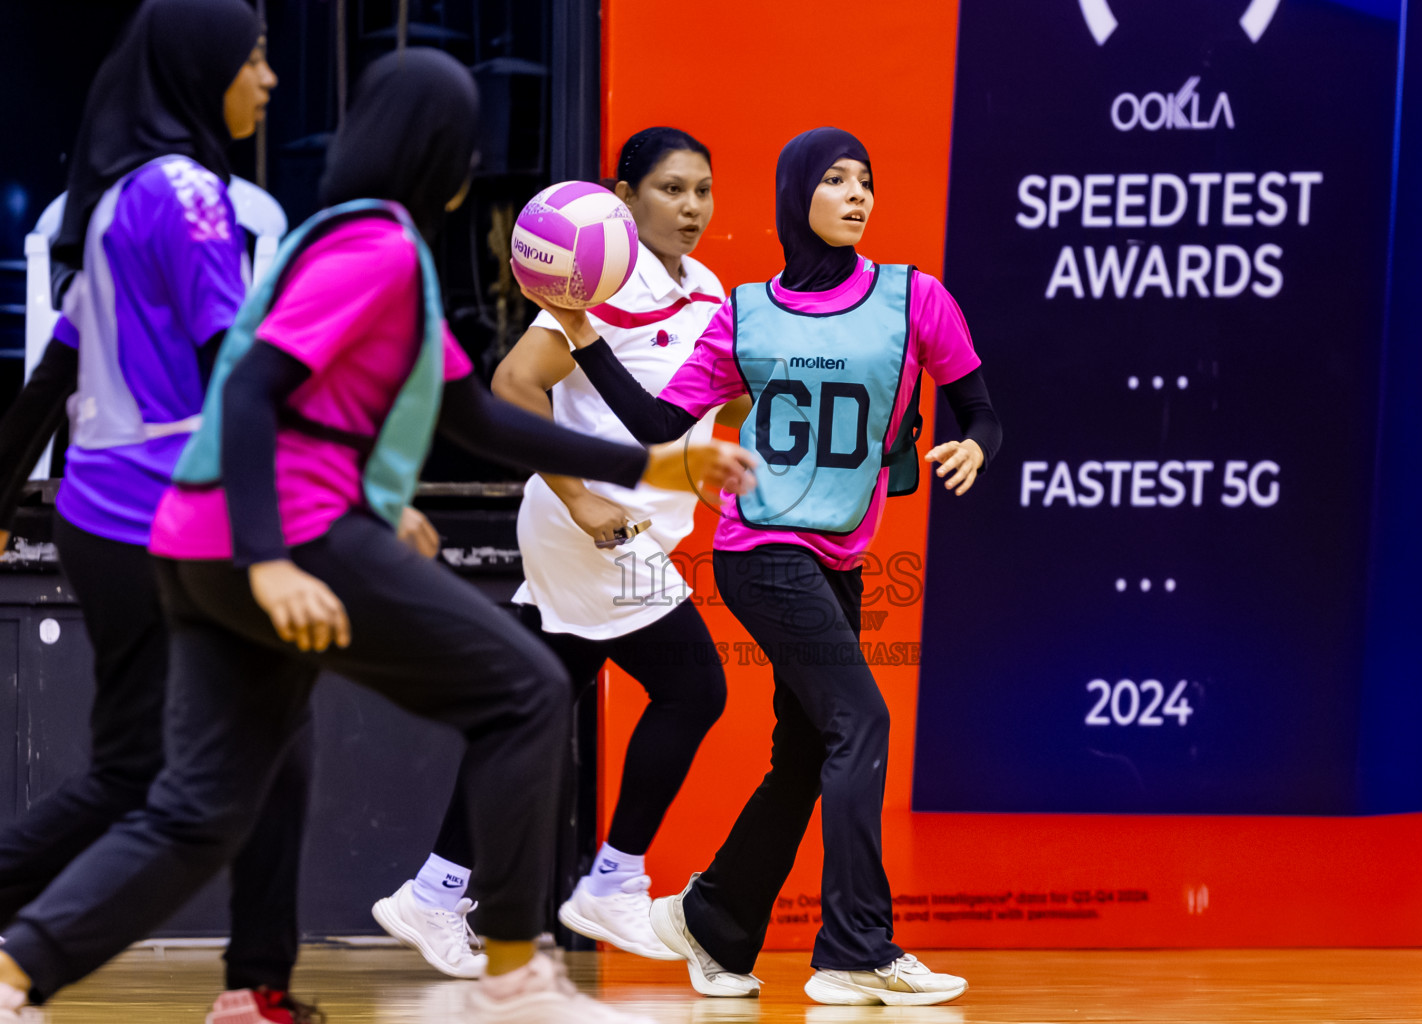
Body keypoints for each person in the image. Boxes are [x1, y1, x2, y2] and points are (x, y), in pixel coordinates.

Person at [0, 50, 754, 1024]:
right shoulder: (376, 250)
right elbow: (252, 388)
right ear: (439, 151)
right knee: (526, 692)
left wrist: (657, 468)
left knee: (208, 802)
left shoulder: (357, 242)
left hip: (202, 537)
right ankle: (518, 973)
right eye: (468, 139)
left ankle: (21, 975)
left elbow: (477, 421)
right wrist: (270, 556)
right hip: (283, 532)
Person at [528, 127, 1002, 1007]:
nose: (857, 195)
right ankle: (856, 949)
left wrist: (973, 444)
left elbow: (979, 407)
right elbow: (655, 425)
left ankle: (712, 922)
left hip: (840, 559)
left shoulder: (916, 299)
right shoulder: (742, 313)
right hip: (760, 552)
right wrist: (582, 331)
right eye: (835, 180)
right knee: (862, 722)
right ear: (796, 196)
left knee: (807, 748)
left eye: (867, 180)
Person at [0, 3, 317, 1021]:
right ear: (199, 67)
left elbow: (55, 373)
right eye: (254, 58)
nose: (267, 80)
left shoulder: (114, 197)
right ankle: (251, 985)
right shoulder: (186, 197)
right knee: (175, 764)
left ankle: (256, 983)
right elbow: (236, 370)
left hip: (105, 517)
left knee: (249, 744)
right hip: (158, 522)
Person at [372, 126, 751, 975]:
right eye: (671, 190)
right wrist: (580, 496)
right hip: (591, 531)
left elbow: (678, 407)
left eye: (703, 190)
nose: (691, 207)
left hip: (636, 527)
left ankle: (432, 893)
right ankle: (613, 881)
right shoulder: (597, 287)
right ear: (623, 199)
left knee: (532, 705)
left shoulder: (706, 284)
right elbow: (512, 385)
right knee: (695, 689)